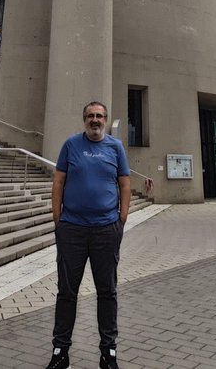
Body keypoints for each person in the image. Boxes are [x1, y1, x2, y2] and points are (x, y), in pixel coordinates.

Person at [45, 101, 131, 369]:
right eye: (90, 116)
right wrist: (59, 221)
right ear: (84, 119)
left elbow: (125, 184)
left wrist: (121, 220)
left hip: (106, 229)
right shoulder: (71, 145)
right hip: (72, 229)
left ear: (106, 119)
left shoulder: (115, 147)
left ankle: (108, 353)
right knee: (67, 292)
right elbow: (58, 182)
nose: (95, 120)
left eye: (99, 116)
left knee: (107, 292)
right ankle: (60, 352)